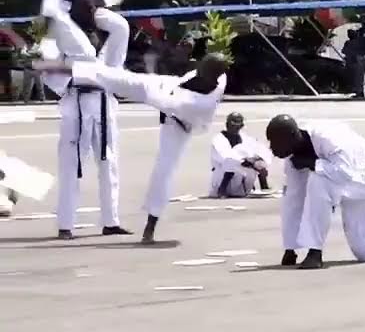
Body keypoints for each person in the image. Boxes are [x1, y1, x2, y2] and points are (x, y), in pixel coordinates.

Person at [35, 53, 229, 244]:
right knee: (117, 77)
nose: (199, 68)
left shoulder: (199, 103)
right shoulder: (218, 75)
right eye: (201, 66)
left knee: (164, 171)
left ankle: (150, 226)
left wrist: (145, 75)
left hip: (179, 123)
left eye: (204, 69)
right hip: (169, 86)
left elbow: (157, 100)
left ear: (210, 75)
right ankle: (58, 68)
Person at [39, 0, 131, 239]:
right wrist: (69, 83)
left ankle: (111, 220)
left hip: (103, 100)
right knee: (71, 165)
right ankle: (66, 225)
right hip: (76, 101)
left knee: (110, 161)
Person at [265, 114, 365, 269]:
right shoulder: (293, 155)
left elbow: (343, 173)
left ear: (293, 137)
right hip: (347, 186)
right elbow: (293, 198)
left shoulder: (329, 138)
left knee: (319, 181)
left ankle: (315, 252)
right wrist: (290, 248)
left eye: (275, 143)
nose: (271, 148)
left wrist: (314, 164)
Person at [210, 112, 271, 198]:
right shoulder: (218, 139)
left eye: (237, 126)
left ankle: (264, 186)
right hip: (222, 178)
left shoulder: (245, 138)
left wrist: (258, 160)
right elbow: (226, 158)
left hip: (243, 185)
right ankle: (222, 190)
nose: (235, 129)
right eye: (233, 126)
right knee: (233, 159)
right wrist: (247, 161)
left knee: (257, 158)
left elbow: (261, 150)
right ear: (227, 125)